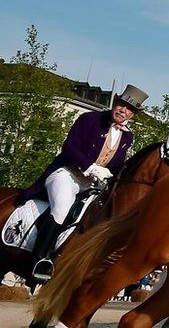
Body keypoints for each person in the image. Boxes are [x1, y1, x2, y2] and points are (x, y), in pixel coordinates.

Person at [18, 84, 148, 281]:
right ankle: (39, 259)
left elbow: (116, 164)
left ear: (133, 114)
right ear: (115, 103)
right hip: (66, 175)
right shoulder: (89, 119)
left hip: (90, 185)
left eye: (129, 109)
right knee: (62, 208)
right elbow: (69, 148)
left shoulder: (127, 136)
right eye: (122, 104)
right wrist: (90, 167)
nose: (123, 110)